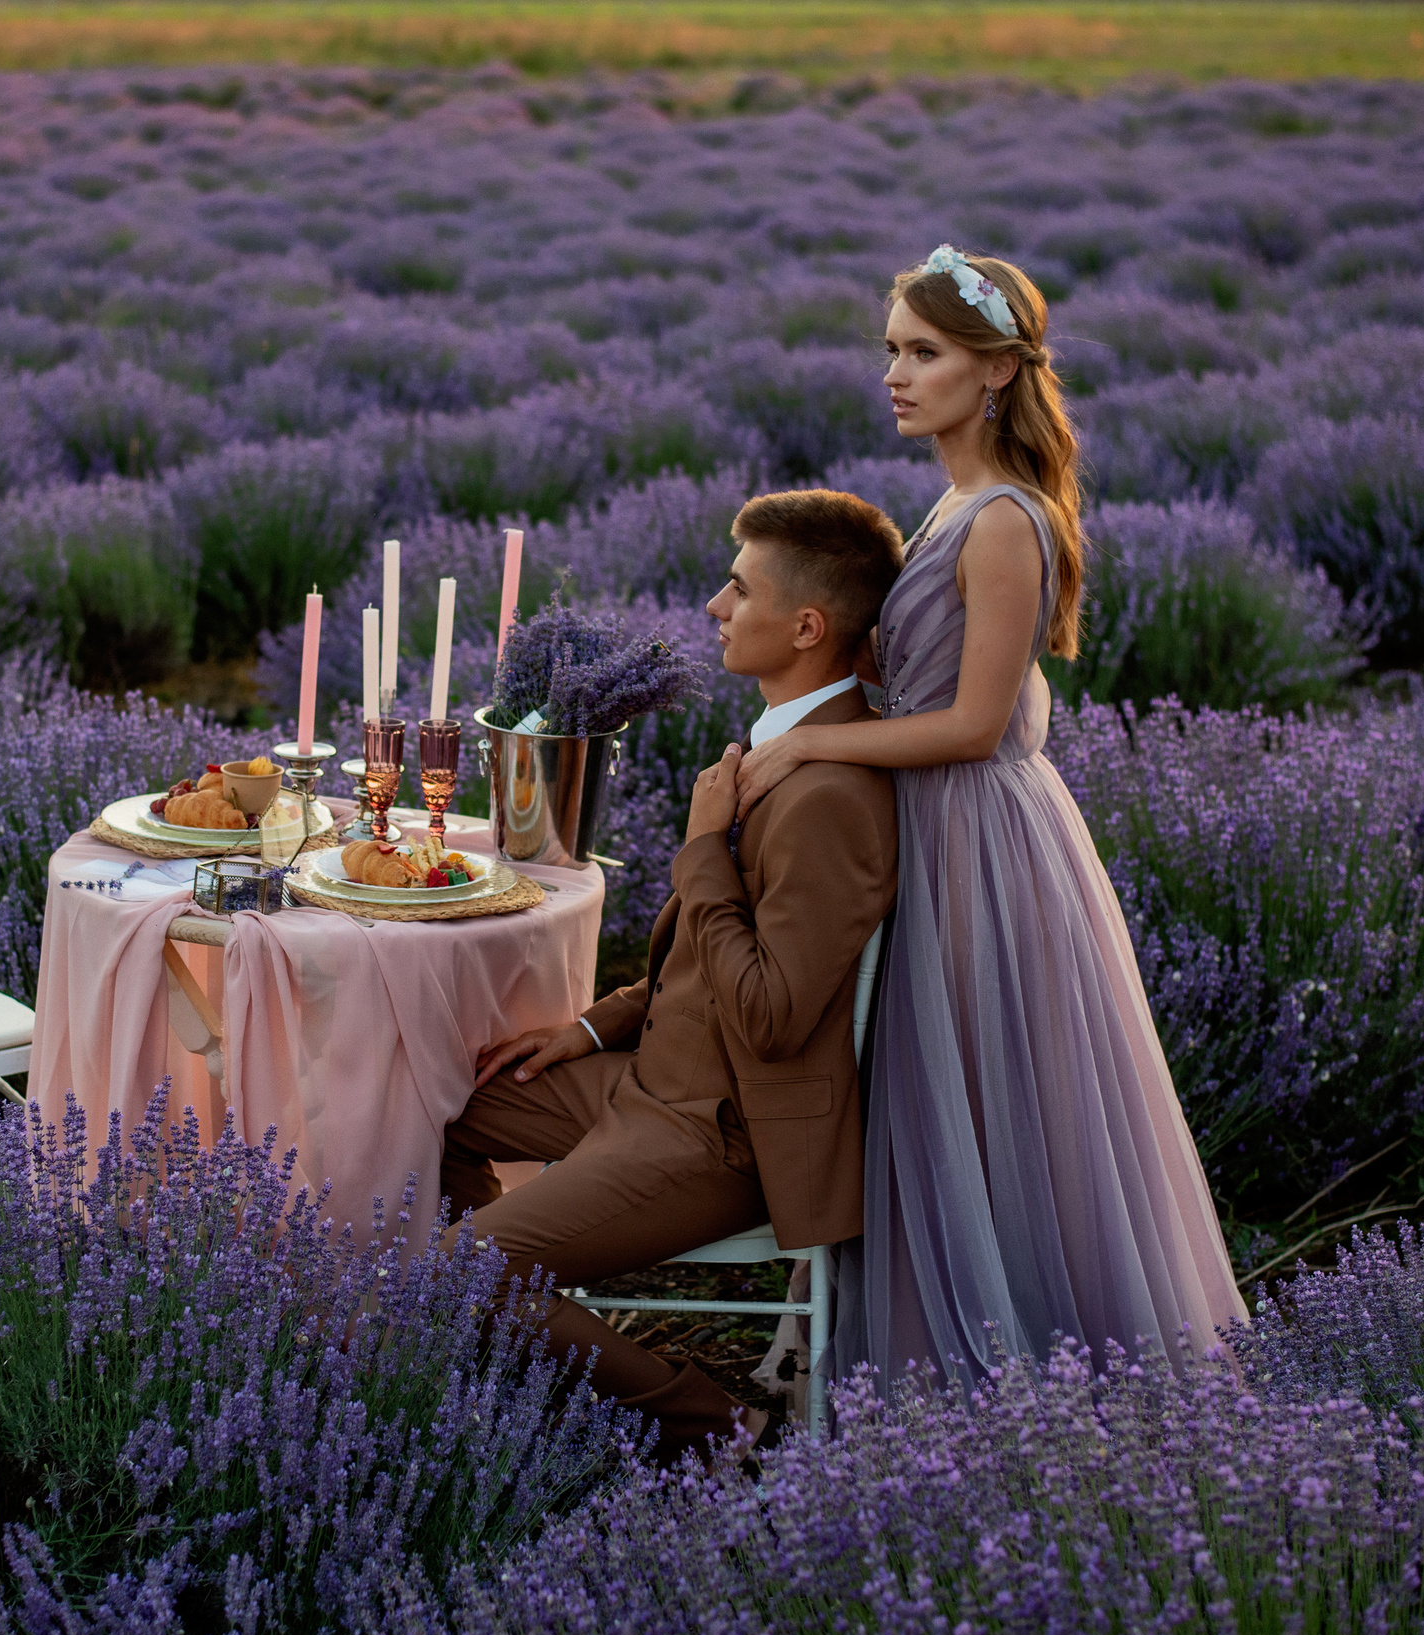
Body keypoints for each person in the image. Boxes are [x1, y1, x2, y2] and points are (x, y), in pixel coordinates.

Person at [734, 246, 1247, 1388]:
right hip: (938, 824)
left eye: (924, 353)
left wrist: (813, 740)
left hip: (978, 836)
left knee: (988, 1086)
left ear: (998, 372)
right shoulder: (955, 503)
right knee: (937, 1089)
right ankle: (938, 1349)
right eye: (891, 352)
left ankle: (1015, 1364)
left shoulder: (1004, 520)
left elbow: (972, 724)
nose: (896, 375)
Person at [451, 489, 900, 1459]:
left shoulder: (828, 796)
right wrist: (591, 1026)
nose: (713, 607)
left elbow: (773, 1014)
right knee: (433, 1098)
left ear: (807, 625)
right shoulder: (784, 747)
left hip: (721, 1137)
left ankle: (714, 1430)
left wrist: (700, 852)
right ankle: (525, 1339)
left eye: (738, 589)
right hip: (649, 1080)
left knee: (469, 1272)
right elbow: (704, 966)